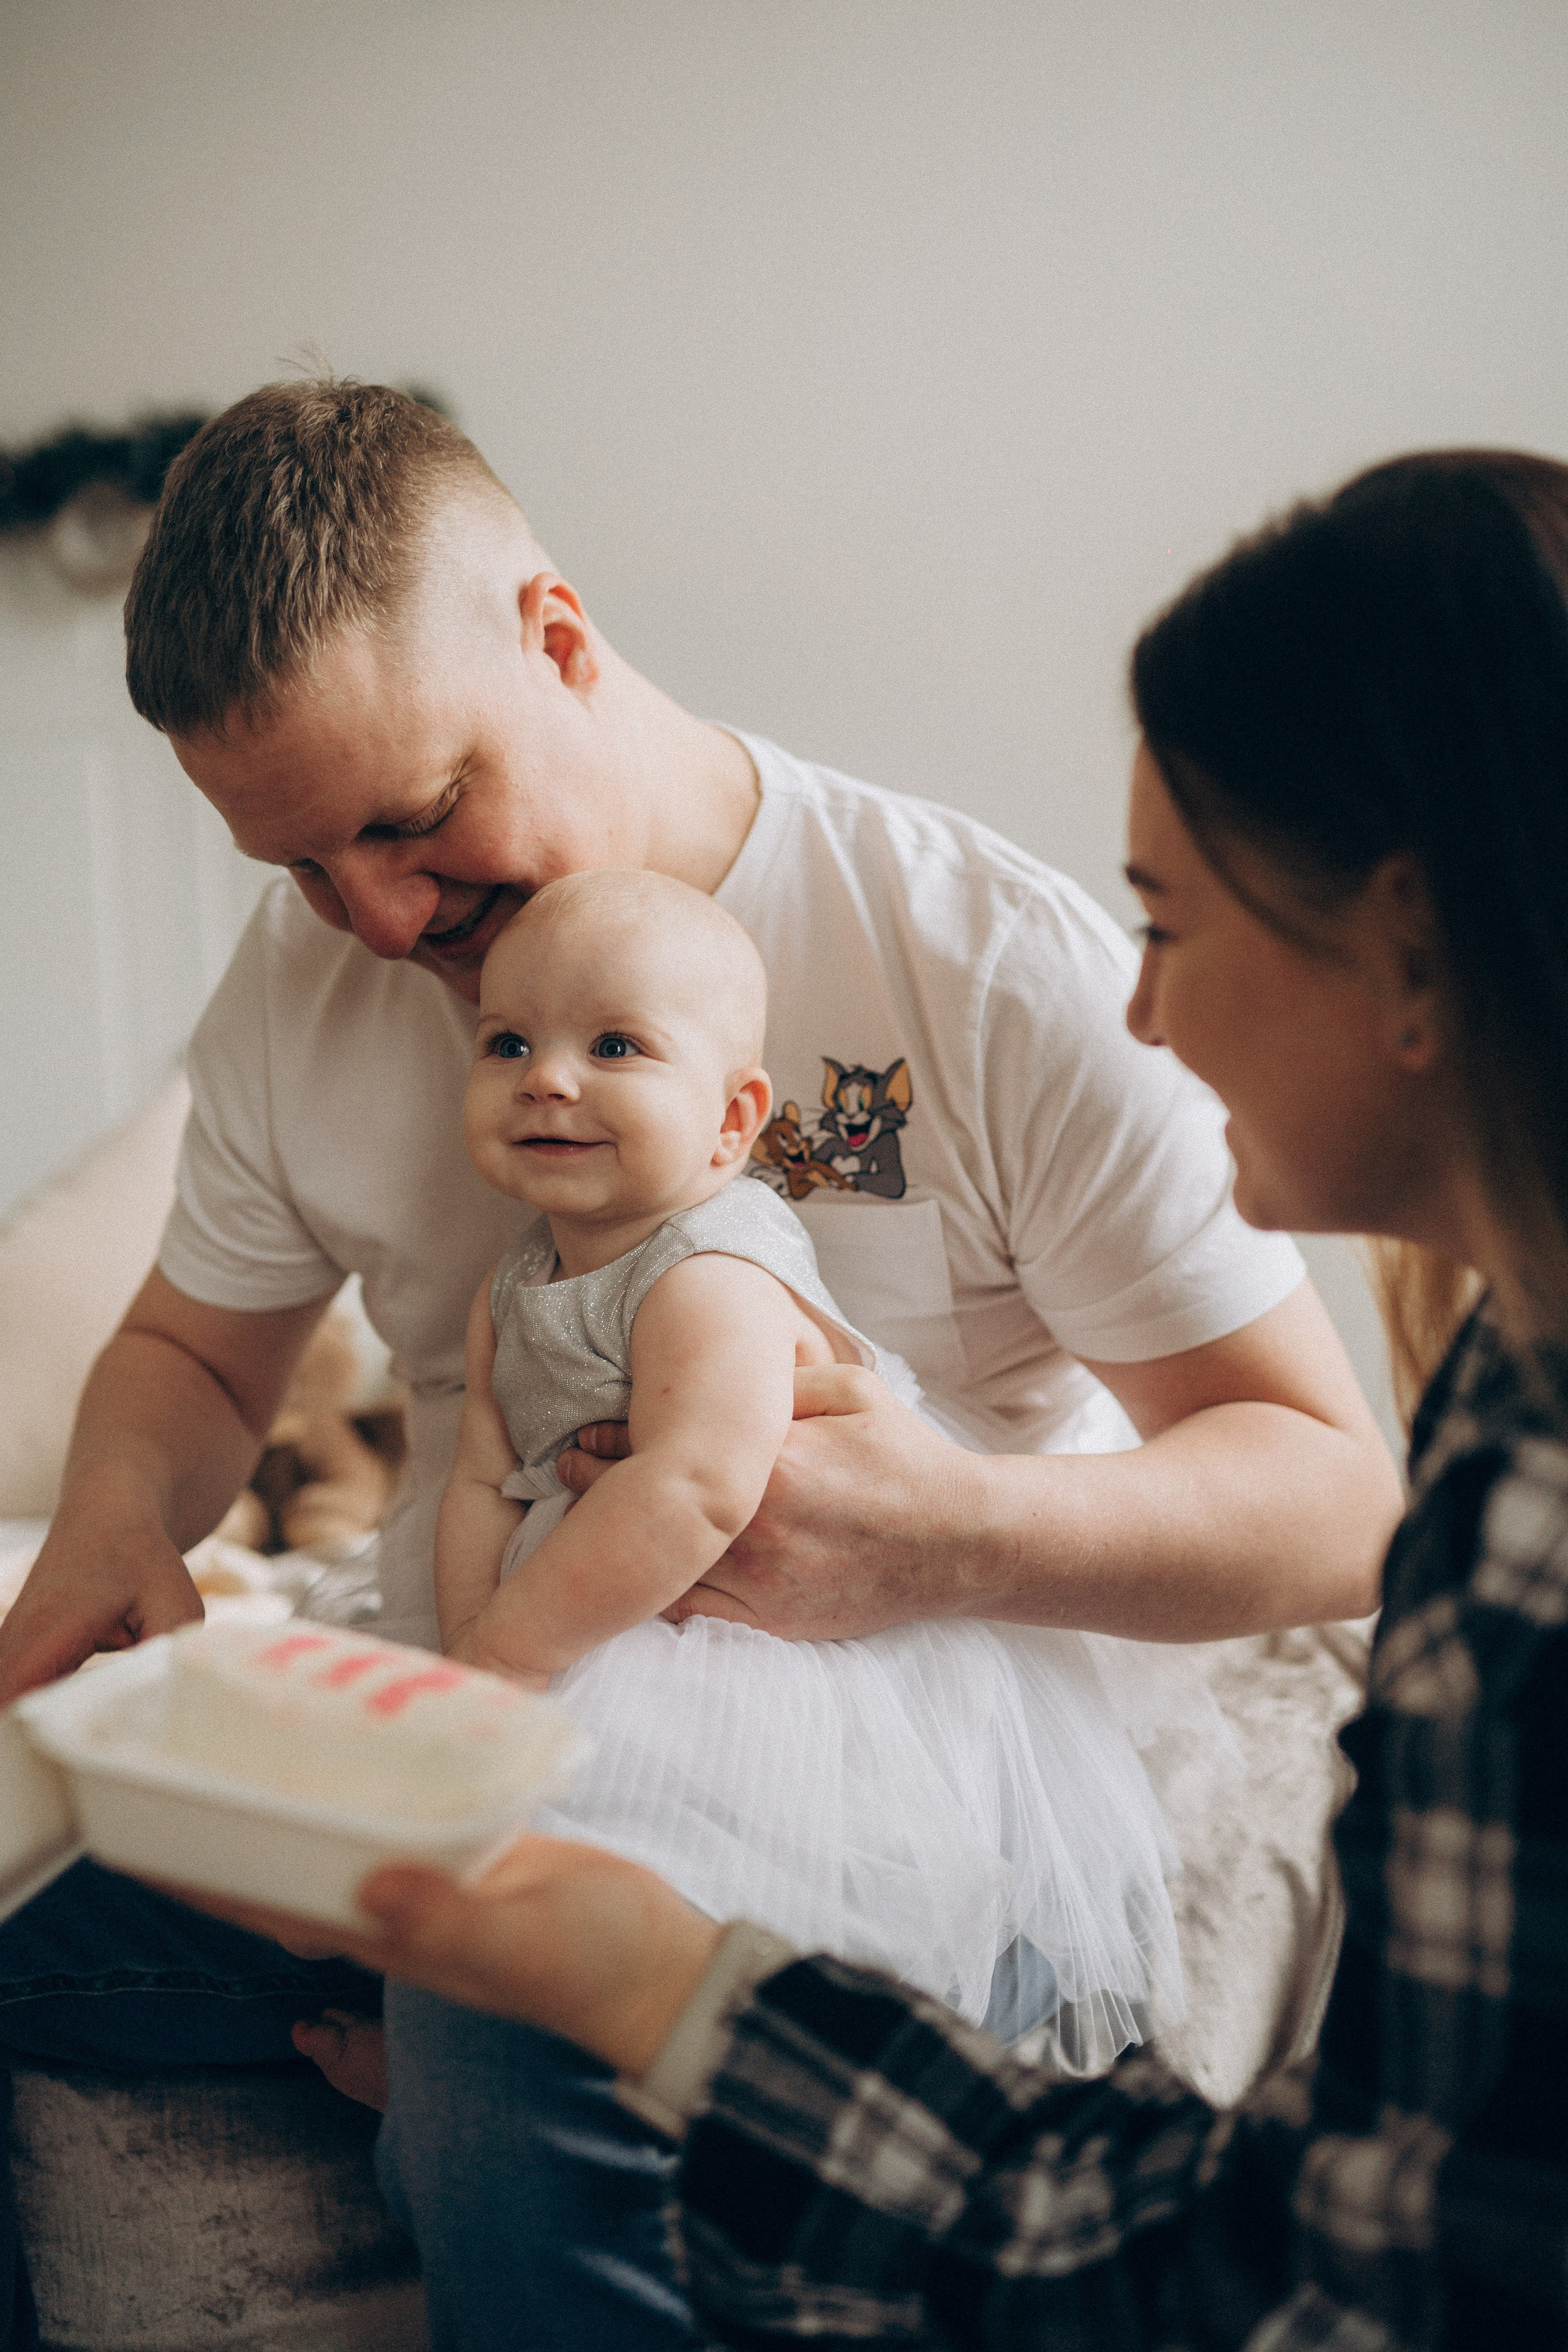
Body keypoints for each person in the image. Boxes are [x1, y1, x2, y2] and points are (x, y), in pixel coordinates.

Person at [0, 381, 1400, 2351]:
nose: (382, 920)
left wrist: (966, 1534)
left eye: (412, 822)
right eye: (300, 864)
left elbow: (1339, 1496)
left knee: (512, 1988)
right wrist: (122, 1515)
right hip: (460, 1703)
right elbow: (193, 1356)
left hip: (861, 1784)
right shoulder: (310, 975)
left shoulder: (977, 957)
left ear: (557, 637)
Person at [436, 867, 1207, 2068]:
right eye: (506, 1042)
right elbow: (482, 1477)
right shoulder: (510, 1282)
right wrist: (463, 1662)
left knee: (708, 1897)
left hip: (771, 1641)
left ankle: (707, 2082)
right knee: (481, 1860)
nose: (547, 1075)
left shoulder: (708, 1272)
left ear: (732, 1122)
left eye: (615, 1045)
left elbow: (695, 1489)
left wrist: (510, 1655)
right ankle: (470, 2046)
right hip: (589, 1603)